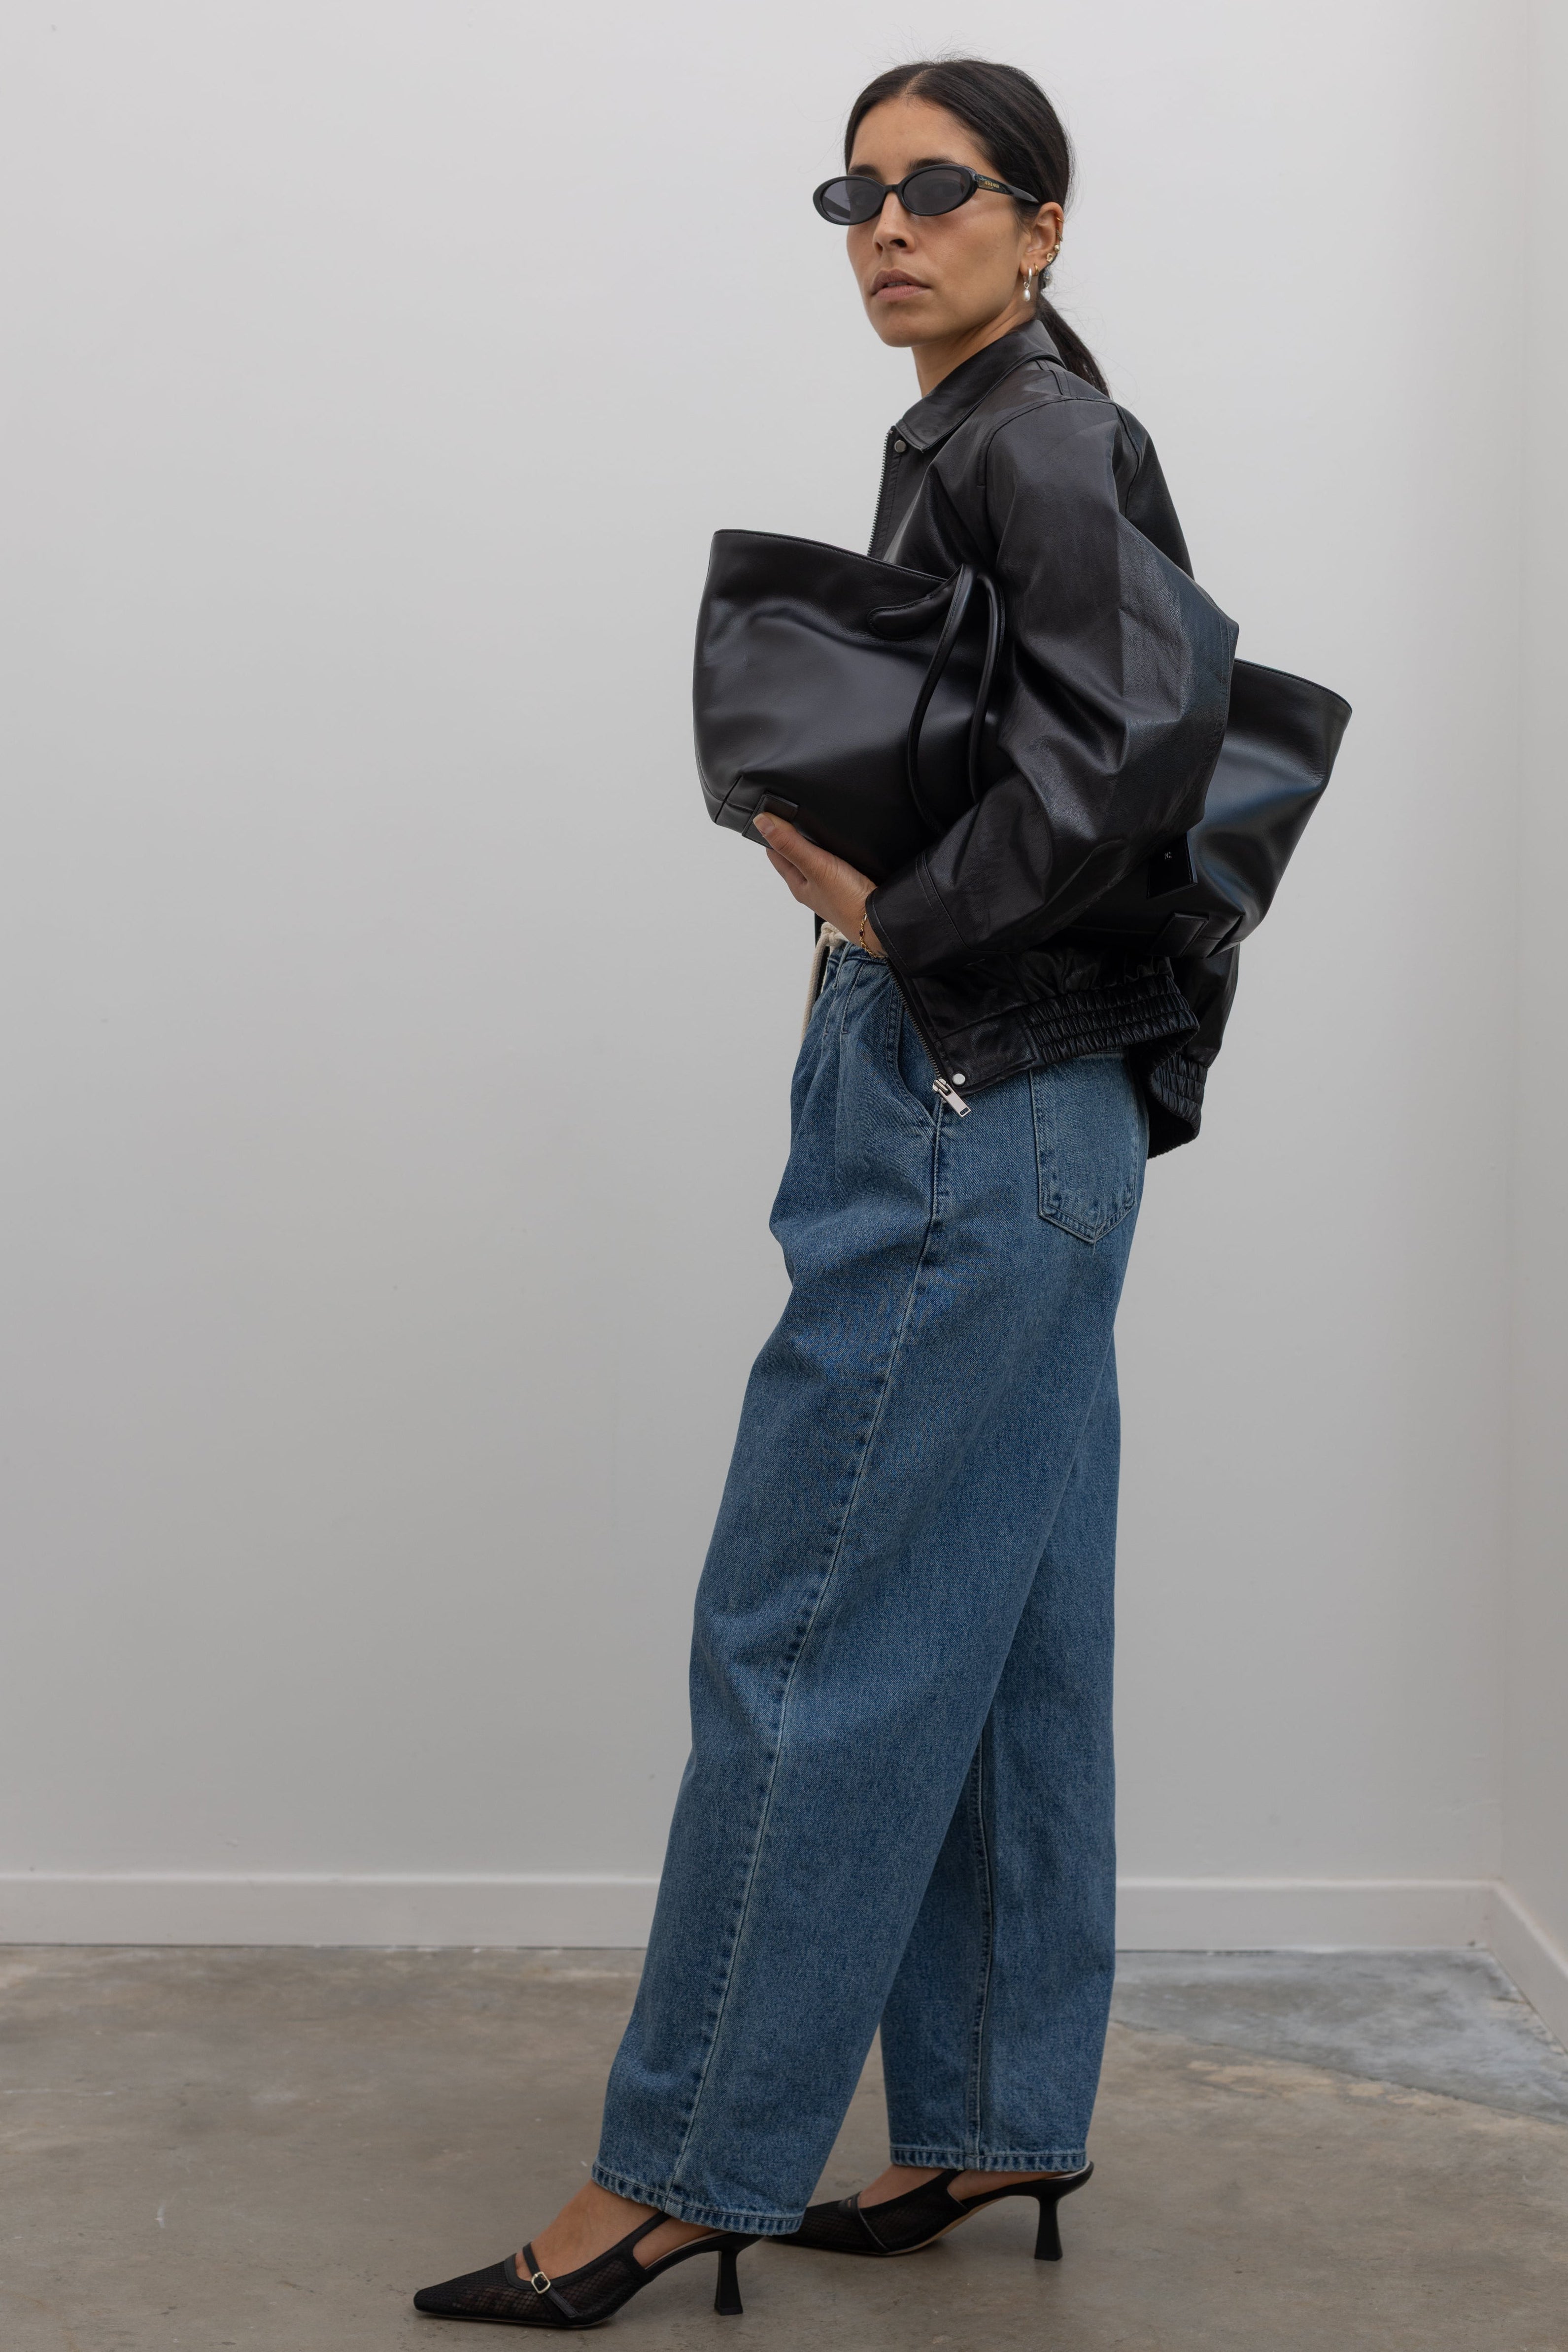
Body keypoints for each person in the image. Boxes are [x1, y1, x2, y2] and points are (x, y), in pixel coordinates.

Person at [414, 55, 1236, 2332]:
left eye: (938, 189)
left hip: (972, 1105)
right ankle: (981, 2107)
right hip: (1044, 1117)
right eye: (854, 193)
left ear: (1040, 224)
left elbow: (1145, 723)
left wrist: (909, 919)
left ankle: (681, 2164)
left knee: (806, 1630)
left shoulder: (1033, 429)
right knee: (999, 1633)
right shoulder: (980, 428)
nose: (887, 225)